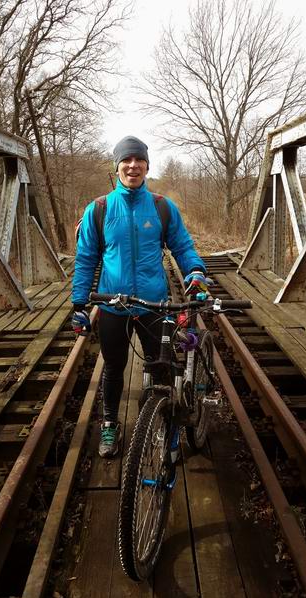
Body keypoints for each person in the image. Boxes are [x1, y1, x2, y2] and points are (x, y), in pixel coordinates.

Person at [71, 136, 209, 458]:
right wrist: (79, 304)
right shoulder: (100, 209)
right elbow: (85, 259)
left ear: (147, 165)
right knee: (114, 367)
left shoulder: (161, 206)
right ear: (116, 166)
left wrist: (196, 271)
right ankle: (109, 424)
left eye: (139, 160)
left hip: (154, 303)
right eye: (126, 160)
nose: (133, 166)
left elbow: (183, 245)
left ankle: (158, 420)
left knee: (159, 366)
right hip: (113, 304)